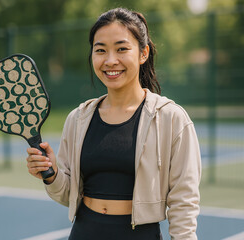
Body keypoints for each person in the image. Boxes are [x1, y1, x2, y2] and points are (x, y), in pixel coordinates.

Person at [26, 7, 201, 240]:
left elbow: (184, 203)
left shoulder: (171, 118)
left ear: (143, 53)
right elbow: (67, 195)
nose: (110, 61)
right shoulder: (78, 118)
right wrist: (52, 173)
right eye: (100, 50)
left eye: (121, 49)